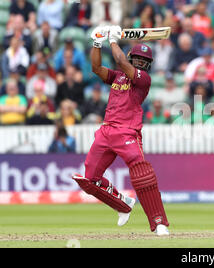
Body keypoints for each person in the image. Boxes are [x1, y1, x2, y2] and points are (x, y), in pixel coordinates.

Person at [71, 25, 170, 236]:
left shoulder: (143, 80)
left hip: (127, 131)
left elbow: (121, 61)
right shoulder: (117, 77)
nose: (141, 63)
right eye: (138, 59)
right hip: (106, 131)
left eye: (145, 62)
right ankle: (123, 205)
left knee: (142, 174)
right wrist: (97, 42)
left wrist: (113, 40)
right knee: (90, 179)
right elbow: (96, 68)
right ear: (131, 57)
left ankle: (158, 222)